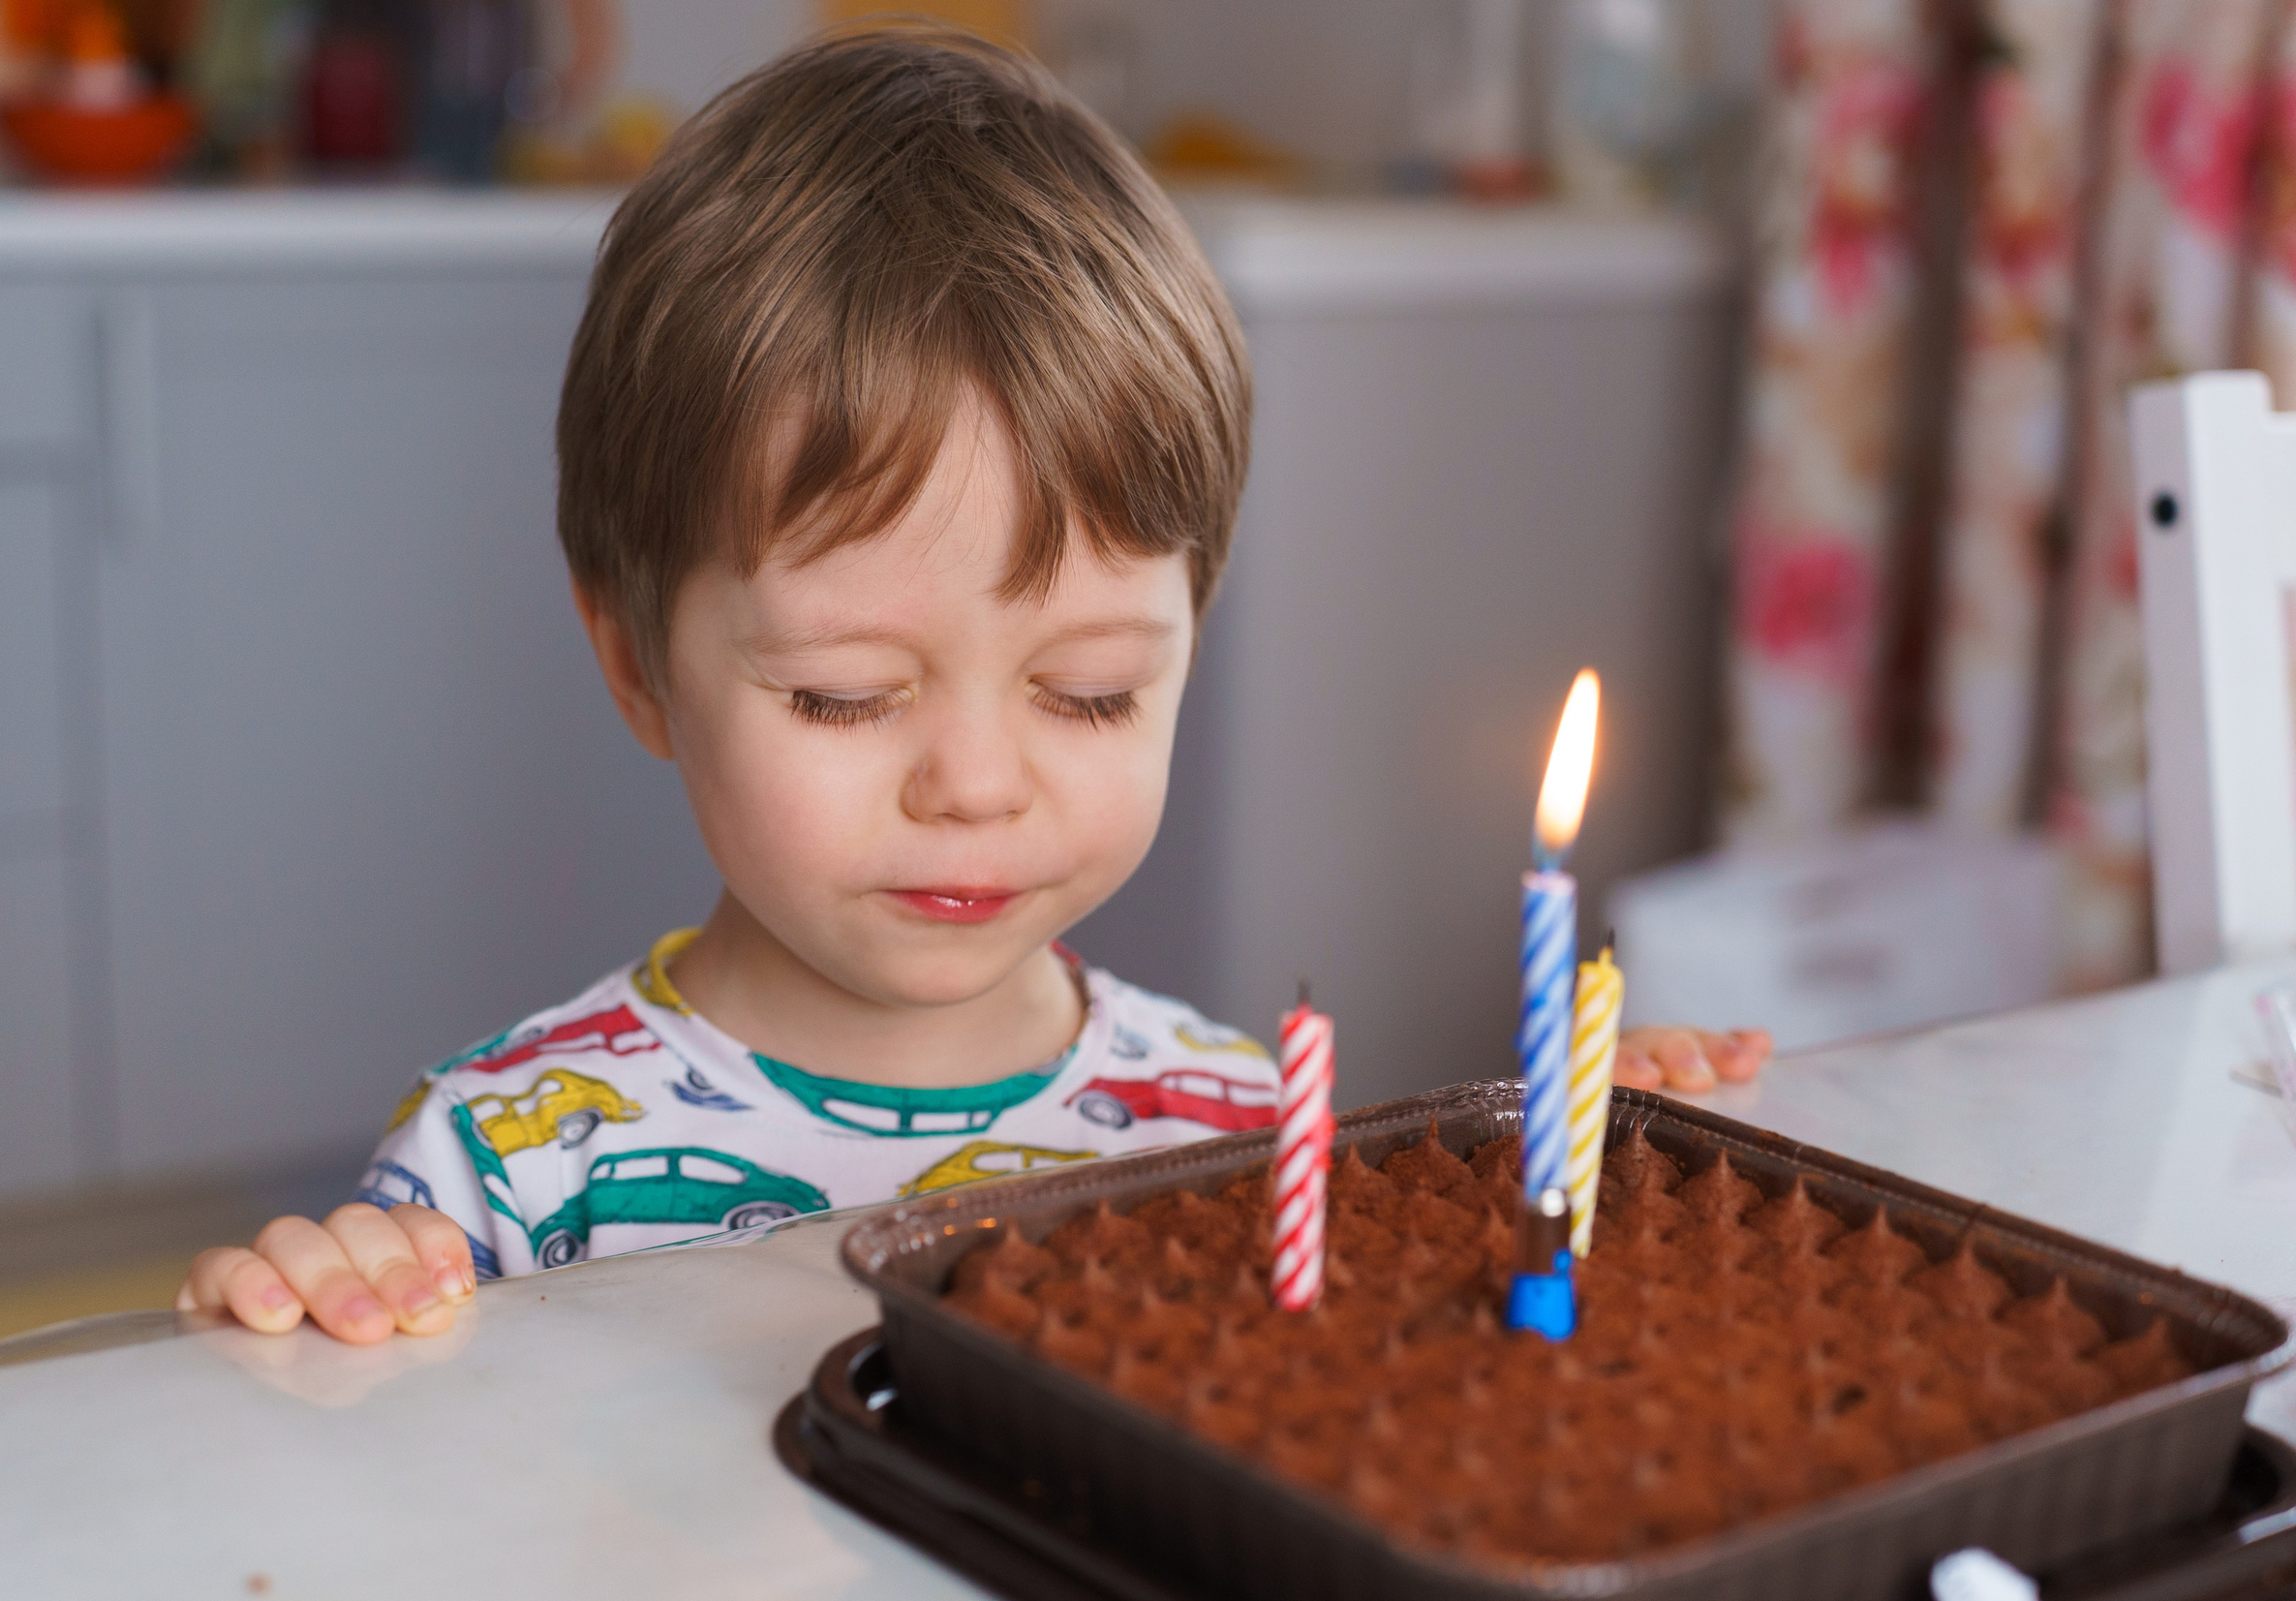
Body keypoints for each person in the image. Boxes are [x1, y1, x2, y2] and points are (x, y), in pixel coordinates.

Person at [176, 26, 1771, 1345]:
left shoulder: (1240, 1133)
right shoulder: (505, 1170)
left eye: (1086, 693)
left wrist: (1566, 1179)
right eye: (846, 695)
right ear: (638, 666)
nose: (976, 784)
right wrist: (307, 1335)